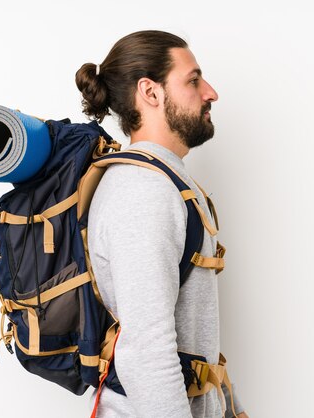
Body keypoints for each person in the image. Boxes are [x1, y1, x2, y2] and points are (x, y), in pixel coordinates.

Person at [75, 30, 249, 418]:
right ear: (150, 93)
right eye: (193, 80)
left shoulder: (164, 179)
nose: (211, 92)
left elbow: (196, 342)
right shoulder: (143, 191)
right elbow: (147, 353)